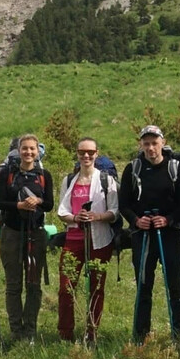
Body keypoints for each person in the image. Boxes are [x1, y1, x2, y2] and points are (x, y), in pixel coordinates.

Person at [119, 125, 180, 342]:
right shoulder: (132, 169)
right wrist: (136, 220)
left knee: (174, 283)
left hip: (170, 234)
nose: (151, 148)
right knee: (143, 284)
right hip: (141, 233)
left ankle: (178, 335)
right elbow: (123, 204)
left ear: (163, 142)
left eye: (154, 143)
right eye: (146, 143)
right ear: (141, 145)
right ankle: (140, 337)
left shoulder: (175, 168)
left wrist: (169, 219)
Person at [56, 137, 119, 344]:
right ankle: (65, 334)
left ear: (96, 154)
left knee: (96, 288)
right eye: (82, 152)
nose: (86, 156)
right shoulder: (68, 180)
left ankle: (92, 332)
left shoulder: (106, 180)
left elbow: (114, 211)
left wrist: (97, 216)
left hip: (99, 241)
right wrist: (76, 218)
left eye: (90, 152)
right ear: (77, 153)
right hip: (73, 239)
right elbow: (62, 211)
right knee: (66, 288)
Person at [0, 133, 54, 345]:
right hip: (11, 233)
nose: (28, 152)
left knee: (34, 285)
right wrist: (19, 205)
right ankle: (16, 331)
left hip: (35, 234)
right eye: (25, 148)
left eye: (32, 149)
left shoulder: (44, 175)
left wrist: (38, 201)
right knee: (13, 285)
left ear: (38, 151)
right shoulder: (7, 173)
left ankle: (30, 331)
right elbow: (0, 202)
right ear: (18, 151)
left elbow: (49, 205)